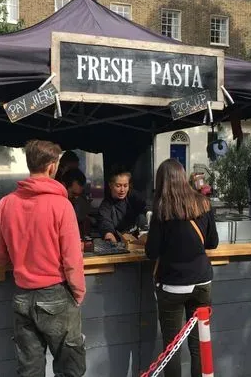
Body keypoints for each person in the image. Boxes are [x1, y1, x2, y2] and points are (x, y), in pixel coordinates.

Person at [0, 140, 86, 377]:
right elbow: (72, 258)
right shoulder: (61, 205)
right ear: (53, 167)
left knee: (29, 370)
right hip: (56, 293)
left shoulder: (6, 203)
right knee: (69, 369)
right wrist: (78, 293)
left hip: (22, 294)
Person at [145, 159, 219, 377]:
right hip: (202, 282)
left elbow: (151, 252)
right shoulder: (203, 204)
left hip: (172, 285)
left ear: (162, 181)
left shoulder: (161, 209)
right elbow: (212, 242)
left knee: (172, 347)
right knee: (200, 344)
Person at [98, 167, 149, 243]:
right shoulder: (106, 206)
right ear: (110, 185)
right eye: (118, 186)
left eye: (125, 186)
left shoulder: (134, 197)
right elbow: (105, 223)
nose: (122, 190)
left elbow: (146, 207)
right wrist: (109, 235)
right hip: (118, 243)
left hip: (138, 242)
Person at [61, 167, 92, 236]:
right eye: (73, 193)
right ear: (63, 186)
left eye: (79, 194)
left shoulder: (81, 201)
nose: (76, 197)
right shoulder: (56, 205)